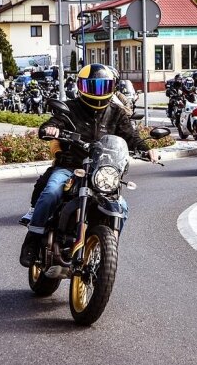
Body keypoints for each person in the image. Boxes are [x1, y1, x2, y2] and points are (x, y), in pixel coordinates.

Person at [19, 63, 158, 267]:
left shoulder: (116, 113)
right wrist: (50, 129)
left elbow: (131, 136)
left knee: (122, 206)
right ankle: (32, 238)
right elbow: (51, 124)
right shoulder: (71, 109)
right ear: (82, 87)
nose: (98, 92)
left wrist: (147, 149)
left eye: (103, 86)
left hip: (101, 171)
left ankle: (107, 248)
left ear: (112, 87)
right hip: (70, 167)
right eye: (93, 87)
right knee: (51, 192)